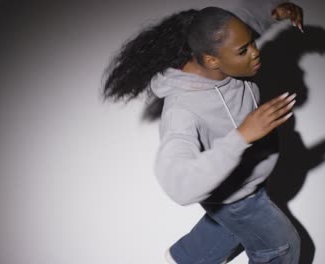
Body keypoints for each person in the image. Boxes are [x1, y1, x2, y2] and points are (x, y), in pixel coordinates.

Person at [102, 1, 304, 263]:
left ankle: (186, 258)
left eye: (252, 42)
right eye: (244, 50)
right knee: (282, 247)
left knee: (228, 229)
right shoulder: (182, 110)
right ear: (211, 60)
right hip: (237, 196)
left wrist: (273, 12)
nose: (256, 53)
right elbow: (180, 183)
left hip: (245, 178)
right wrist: (242, 136)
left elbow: (242, 21)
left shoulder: (221, 50)